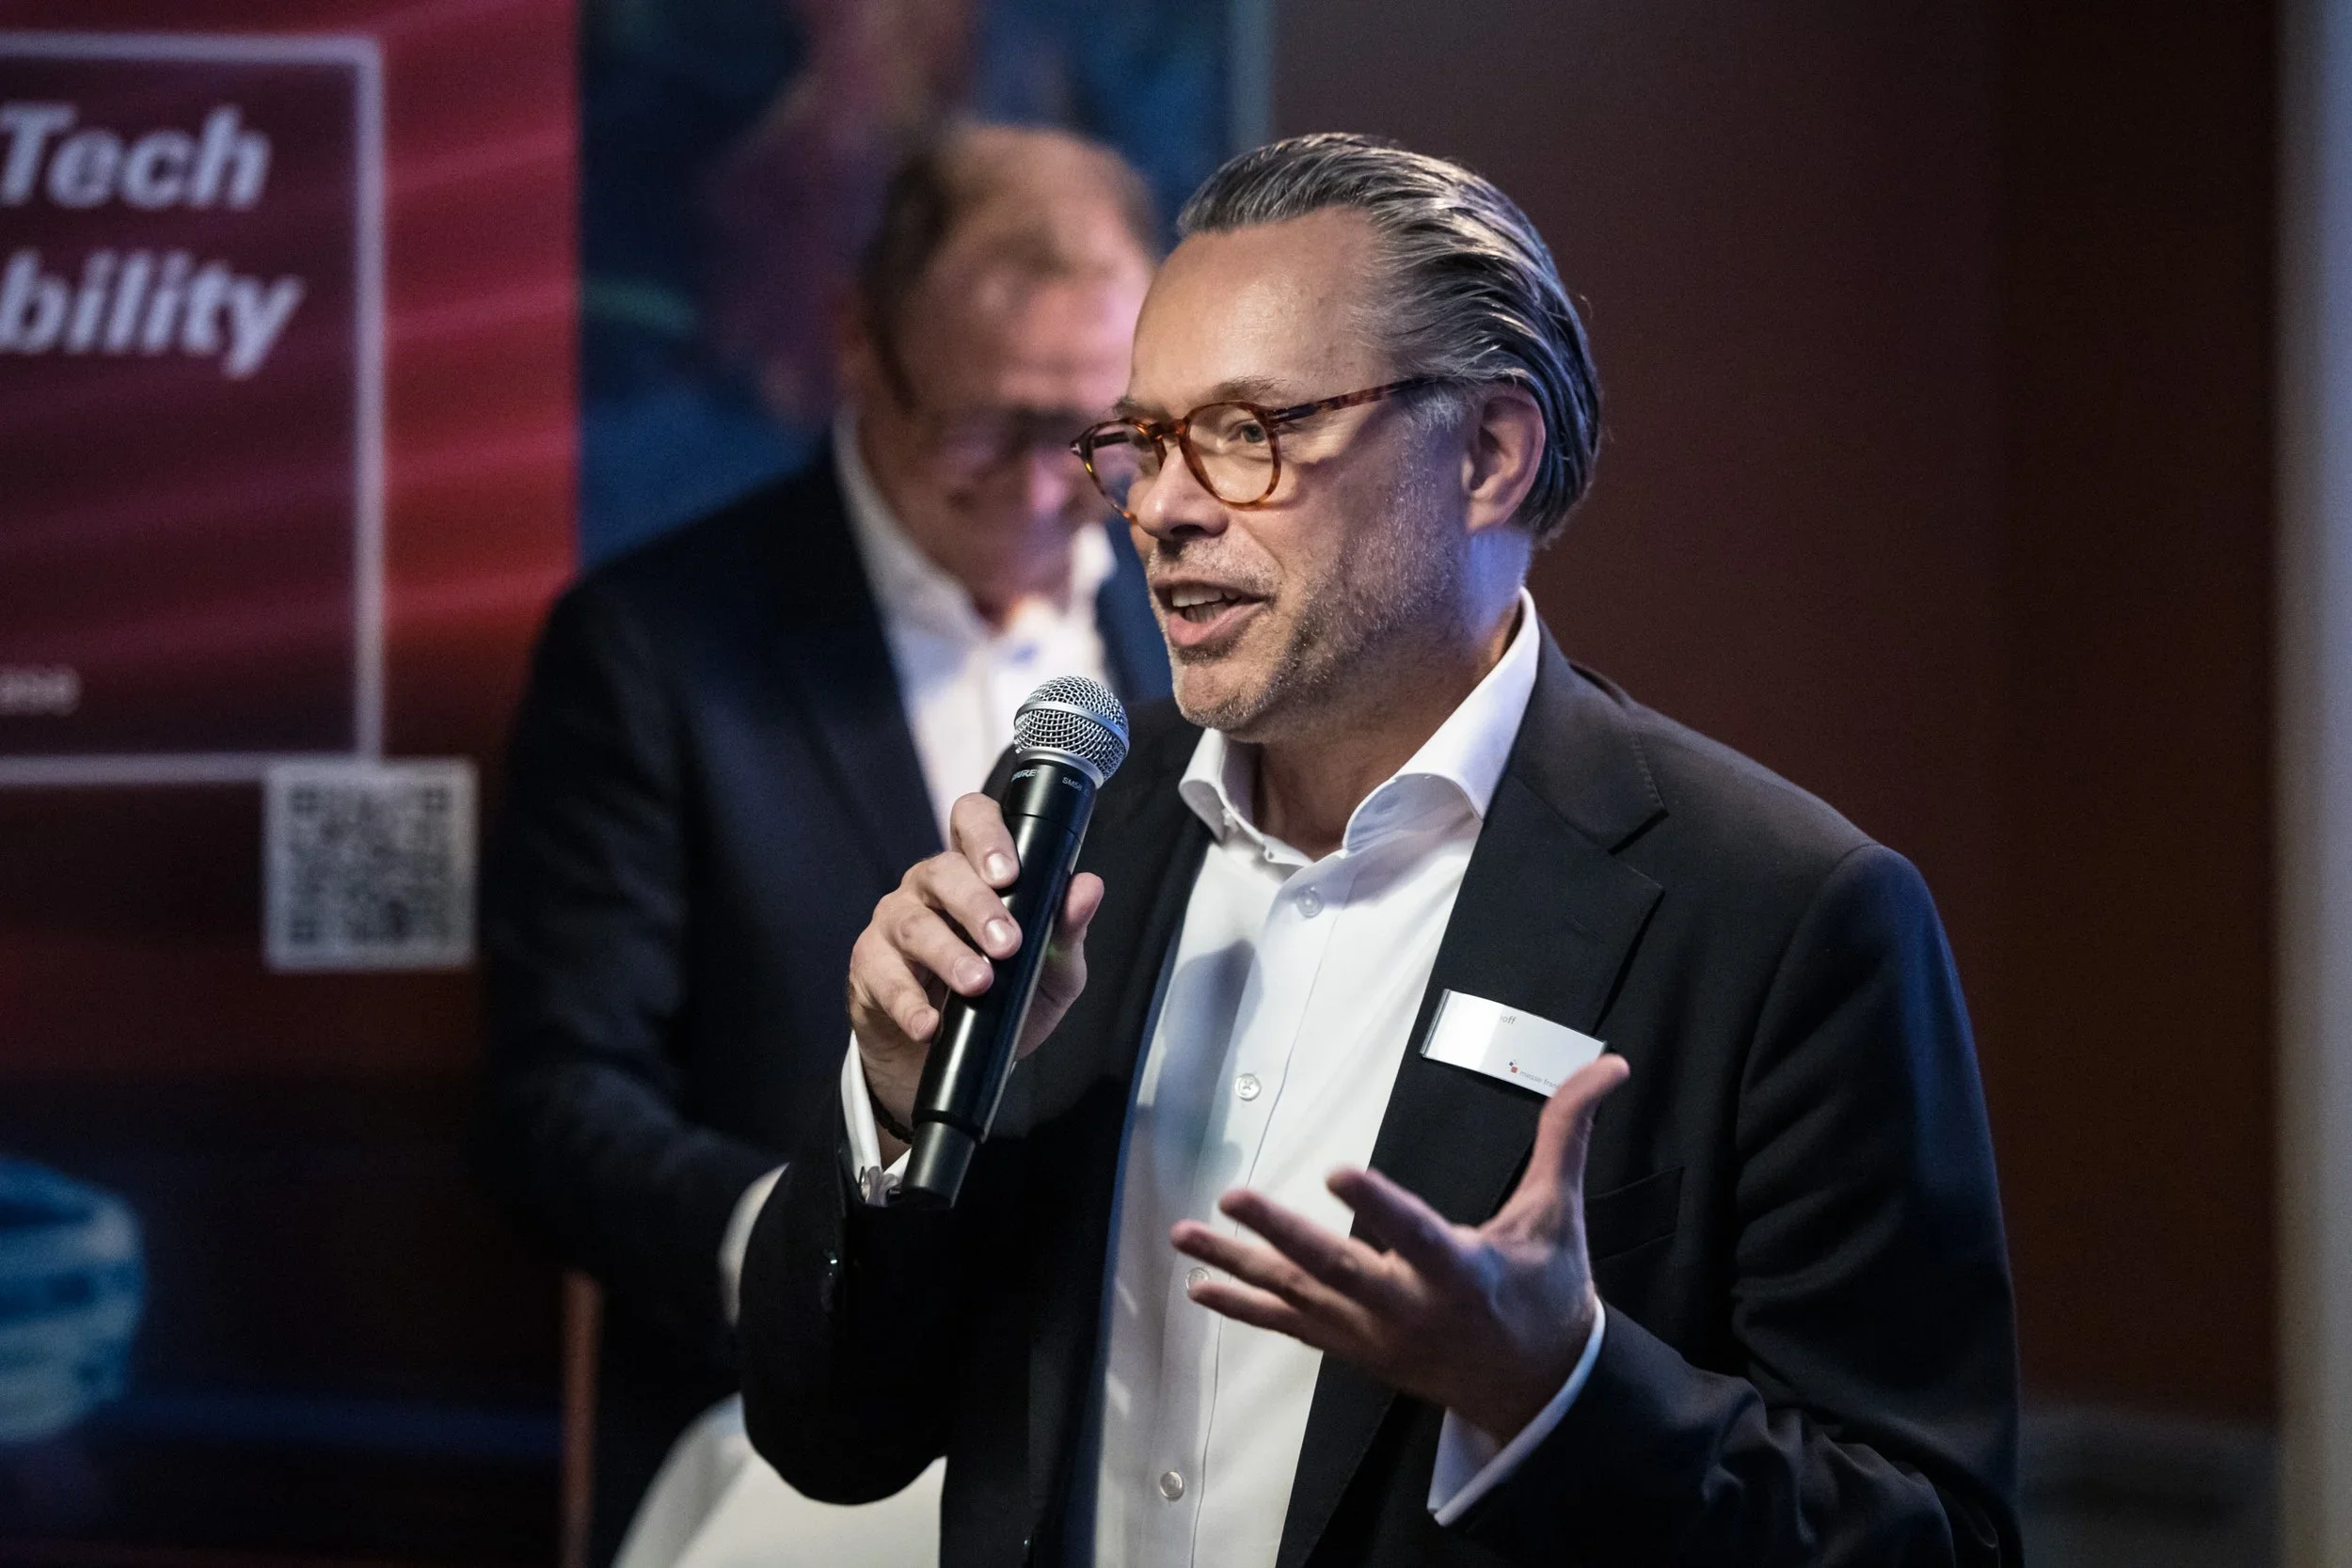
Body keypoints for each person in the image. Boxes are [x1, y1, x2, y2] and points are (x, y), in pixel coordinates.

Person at [736, 133, 2023, 1566]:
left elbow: (1932, 1538)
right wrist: (898, 1116)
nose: (1163, 506)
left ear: (1486, 451)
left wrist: (1552, 1391)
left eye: (1248, 432)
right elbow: (831, 1439)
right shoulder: (1085, 821)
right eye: (1145, 441)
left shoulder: (1780, 914)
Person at [476, 123, 1171, 1565]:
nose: (1047, 495)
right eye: (984, 430)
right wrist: (806, 1262)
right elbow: (556, 1100)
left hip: (1133, 1449)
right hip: (768, 1465)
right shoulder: (654, 649)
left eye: (1092, 435)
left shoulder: (1191, 638)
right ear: (862, 344)